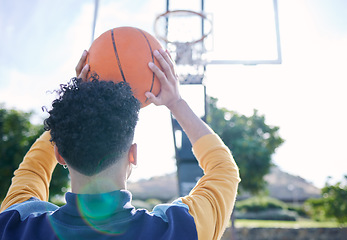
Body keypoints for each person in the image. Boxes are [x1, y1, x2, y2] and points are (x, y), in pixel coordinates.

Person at [0, 48, 240, 239]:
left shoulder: (13, 225)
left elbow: (32, 170)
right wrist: (176, 102)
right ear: (133, 155)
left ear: (59, 154)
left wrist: (75, 104)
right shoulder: (178, 230)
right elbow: (224, 170)